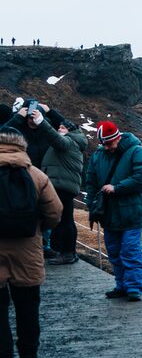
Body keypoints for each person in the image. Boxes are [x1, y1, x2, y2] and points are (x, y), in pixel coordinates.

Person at [0, 130, 62, 358]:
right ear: (21, 147)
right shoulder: (36, 175)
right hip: (27, 250)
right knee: (28, 307)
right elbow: (55, 213)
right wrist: (38, 229)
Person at [83, 121, 142, 301]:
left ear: (117, 137)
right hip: (109, 214)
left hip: (131, 213)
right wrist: (91, 204)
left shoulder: (135, 151)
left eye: (109, 143)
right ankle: (121, 286)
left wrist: (117, 188)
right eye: (103, 144)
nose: (107, 147)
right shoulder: (99, 155)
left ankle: (134, 289)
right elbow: (90, 181)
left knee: (130, 251)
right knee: (114, 252)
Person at [29, 103, 87, 264]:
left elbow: (54, 137)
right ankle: (65, 251)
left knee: (64, 220)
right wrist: (50, 111)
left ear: (69, 131)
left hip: (62, 186)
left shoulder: (69, 141)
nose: (59, 129)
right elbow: (61, 128)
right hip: (62, 185)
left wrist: (41, 121)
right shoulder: (73, 138)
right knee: (63, 218)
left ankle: (67, 253)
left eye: (62, 128)